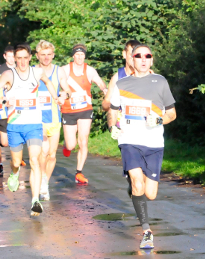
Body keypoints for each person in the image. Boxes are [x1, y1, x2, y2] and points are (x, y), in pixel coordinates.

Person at [108, 44, 177, 250]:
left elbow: (172, 114)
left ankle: (135, 184)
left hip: (154, 142)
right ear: (132, 59)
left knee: (151, 193)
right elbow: (112, 109)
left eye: (148, 56)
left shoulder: (161, 82)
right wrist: (112, 125)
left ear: (152, 60)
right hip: (129, 140)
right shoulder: (122, 84)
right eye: (139, 56)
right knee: (138, 184)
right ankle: (146, 231)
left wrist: (157, 121)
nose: (143, 59)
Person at [0, 43, 61, 216]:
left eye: (24, 58)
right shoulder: (8, 75)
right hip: (14, 126)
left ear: (29, 58)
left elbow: (49, 82)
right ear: (14, 59)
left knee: (35, 160)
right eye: (18, 58)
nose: (21, 62)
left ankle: (35, 200)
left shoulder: (36, 72)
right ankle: (14, 173)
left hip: (34, 125)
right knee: (15, 162)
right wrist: (4, 102)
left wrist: (55, 97)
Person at [60, 44, 107, 184]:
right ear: (73, 55)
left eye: (82, 54)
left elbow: (100, 82)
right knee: (71, 145)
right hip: (68, 110)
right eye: (77, 54)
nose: (80, 57)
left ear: (85, 56)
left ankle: (79, 172)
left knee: (84, 140)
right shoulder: (65, 69)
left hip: (85, 109)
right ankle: (66, 145)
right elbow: (56, 83)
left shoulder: (90, 70)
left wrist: (105, 91)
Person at [35, 40, 71, 201]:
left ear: (53, 55)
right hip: (37, 117)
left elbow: (67, 89)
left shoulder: (59, 71)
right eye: (43, 55)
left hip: (54, 117)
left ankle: (44, 183)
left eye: (49, 54)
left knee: (51, 154)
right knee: (43, 151)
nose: (46, 58)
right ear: (37, 56)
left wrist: (63, 96)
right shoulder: (33, 71)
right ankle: (41, 178)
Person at [102, 40, 141, 111]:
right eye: (131, 54)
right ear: (124, 54)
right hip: (123, 120)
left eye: (137, 55)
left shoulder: (148, 76)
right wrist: (112, 102)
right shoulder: (117, 78)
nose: (133, 58)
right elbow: (105, 104)